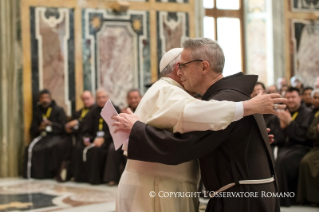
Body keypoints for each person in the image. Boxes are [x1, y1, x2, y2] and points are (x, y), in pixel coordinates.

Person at [114, 38, 286, 212]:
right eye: (179, 67)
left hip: (242, 199)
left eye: (184, 66)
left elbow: (183, 145)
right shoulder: (233, 95)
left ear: (204, 67)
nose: (180, 72)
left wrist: (137, 129)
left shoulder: (223, 99)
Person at [72, 89, 120, 184]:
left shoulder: (114, 110)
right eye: (99, 98)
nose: (101, 100)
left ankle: (96, 179)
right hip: (94, 139)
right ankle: (79, 177)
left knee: (97, 150)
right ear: (96, 99)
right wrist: (86, 139)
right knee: (78, 147)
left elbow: (116, 128)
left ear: (108, 98)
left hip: (109, 139)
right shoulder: (92, 111)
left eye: (103, 97)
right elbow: (86, 130)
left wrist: (103, 139)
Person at [276, 87, 312, 206]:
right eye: (288, 97)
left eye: (293, 97)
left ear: (300, 98)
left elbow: (304, 137)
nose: (290, 100)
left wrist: (290, 123)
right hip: (288, 147)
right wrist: (283, 127)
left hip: (303, 147)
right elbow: (280, 135)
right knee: (277, 157)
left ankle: (286, 198)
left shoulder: (307, 113)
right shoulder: (285, 111)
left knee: (284, 160)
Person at [23, 89, 67, 179]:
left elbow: (64, 126)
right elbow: (33, 129)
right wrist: (40, 127)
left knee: (50, 147)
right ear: (39, 99)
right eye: (42, 98)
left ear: (50, 98)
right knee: (30, 148)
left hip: (56, 135)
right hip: (42, 136)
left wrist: (51, 124)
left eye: (47, 98)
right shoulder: (37, 111)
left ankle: (49, 174)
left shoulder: (58, 110)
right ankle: (36, 174)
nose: (44, 100)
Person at [104, 89, 141, 186]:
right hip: (124, 137)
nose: (133, 100)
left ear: (140, 98)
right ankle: (112, 178)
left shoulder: (143, 109)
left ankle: (129, 179)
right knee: (113, 148)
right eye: (130, 98)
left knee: (130, 148)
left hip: (139, 138)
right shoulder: (124, 111)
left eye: (135, 98)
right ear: (127, 99)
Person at [56, 91, 95, 182]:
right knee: (62, 145)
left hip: (88, 136)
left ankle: (75, 175)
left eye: (88, 99)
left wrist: (77, 123)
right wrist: (68, 128)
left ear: (92, 98)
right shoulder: (79, 112)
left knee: (77, 148)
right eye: (84, 99)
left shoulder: (95, 110)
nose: (86, 101)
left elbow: (89, 126)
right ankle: (63, 171)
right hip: (76, 136)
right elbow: (72, 124)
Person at [297, 89, 319, 206]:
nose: (315, 100)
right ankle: (308, 197)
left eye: (318, 98)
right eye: (314, 97)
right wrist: (316, 130)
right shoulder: (312, 112)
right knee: (306, 161)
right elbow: (310, 131)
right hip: (315, 146)